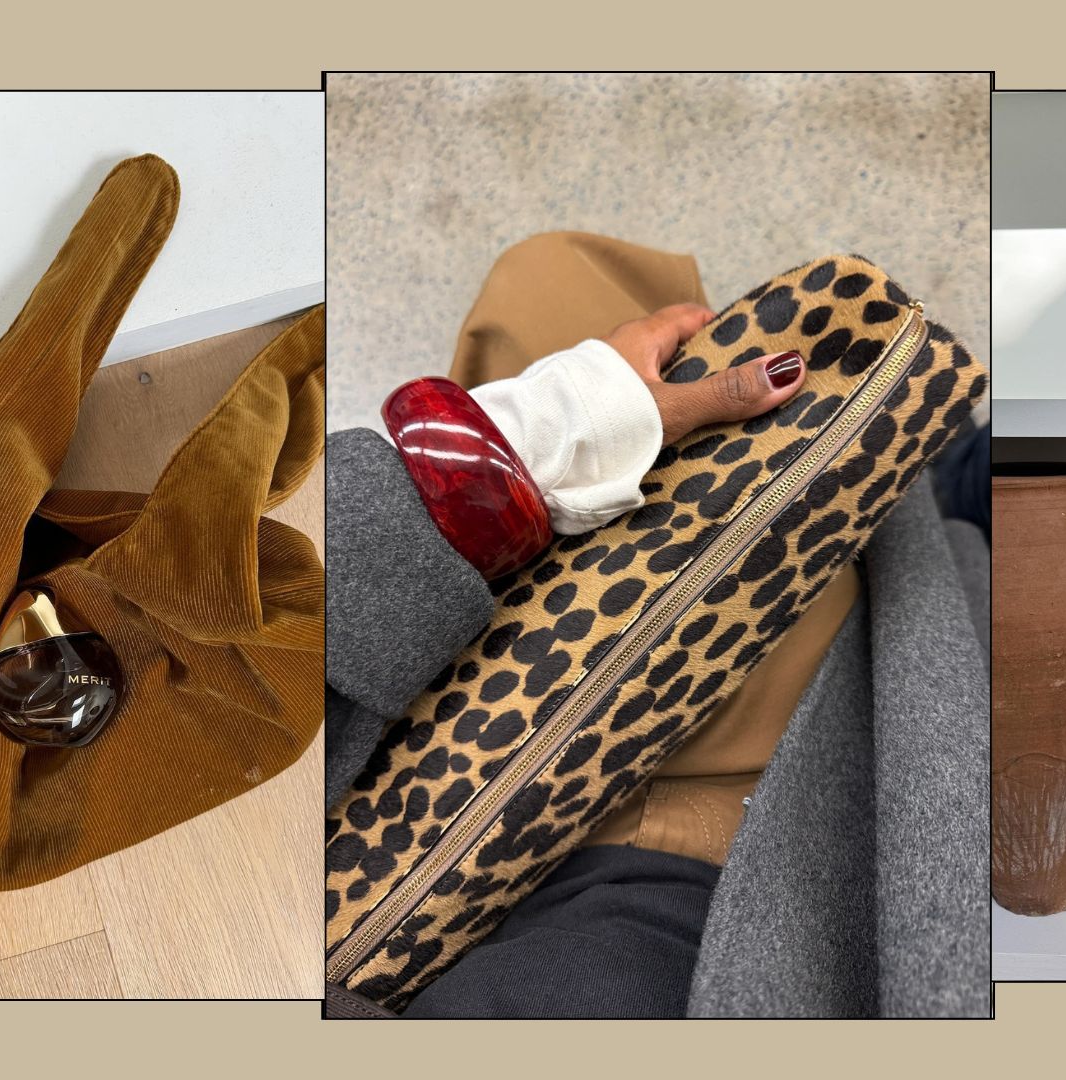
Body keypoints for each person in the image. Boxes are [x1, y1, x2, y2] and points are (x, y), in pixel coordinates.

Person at [326, 233, 990, 1018]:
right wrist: (550, 427)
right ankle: (934, 468)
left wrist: (550, 428)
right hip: (739, 868)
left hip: (460, 781)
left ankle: (927, 464)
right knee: (568, 289)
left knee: (552, 286)